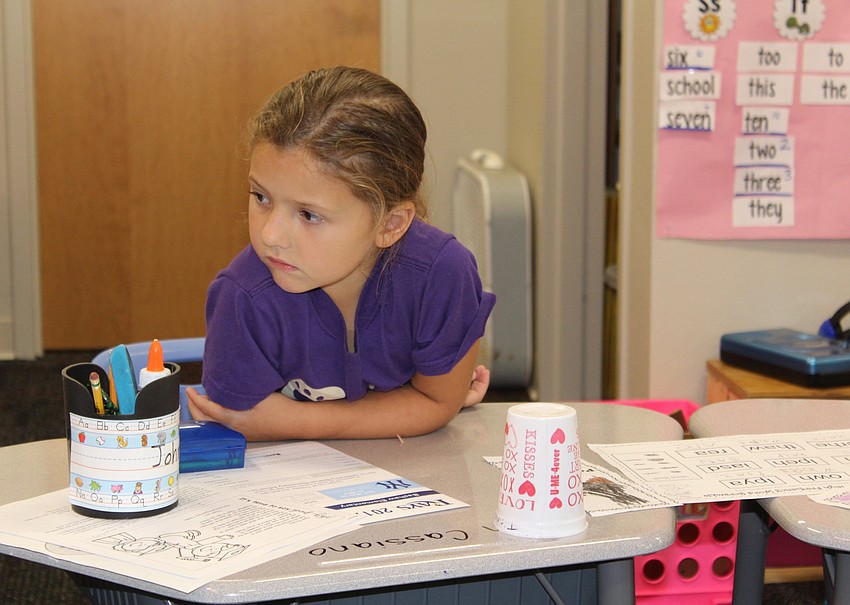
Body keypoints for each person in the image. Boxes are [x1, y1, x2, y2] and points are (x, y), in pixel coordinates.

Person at [186, 66, 496, 441]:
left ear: (390, 224)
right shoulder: (243, 296)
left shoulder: (442, 275)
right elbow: (238, 421)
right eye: (261, 197)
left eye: (309, 214)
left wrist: (291, 422)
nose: (270, 235)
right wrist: (402, 407)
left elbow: (436, 404)